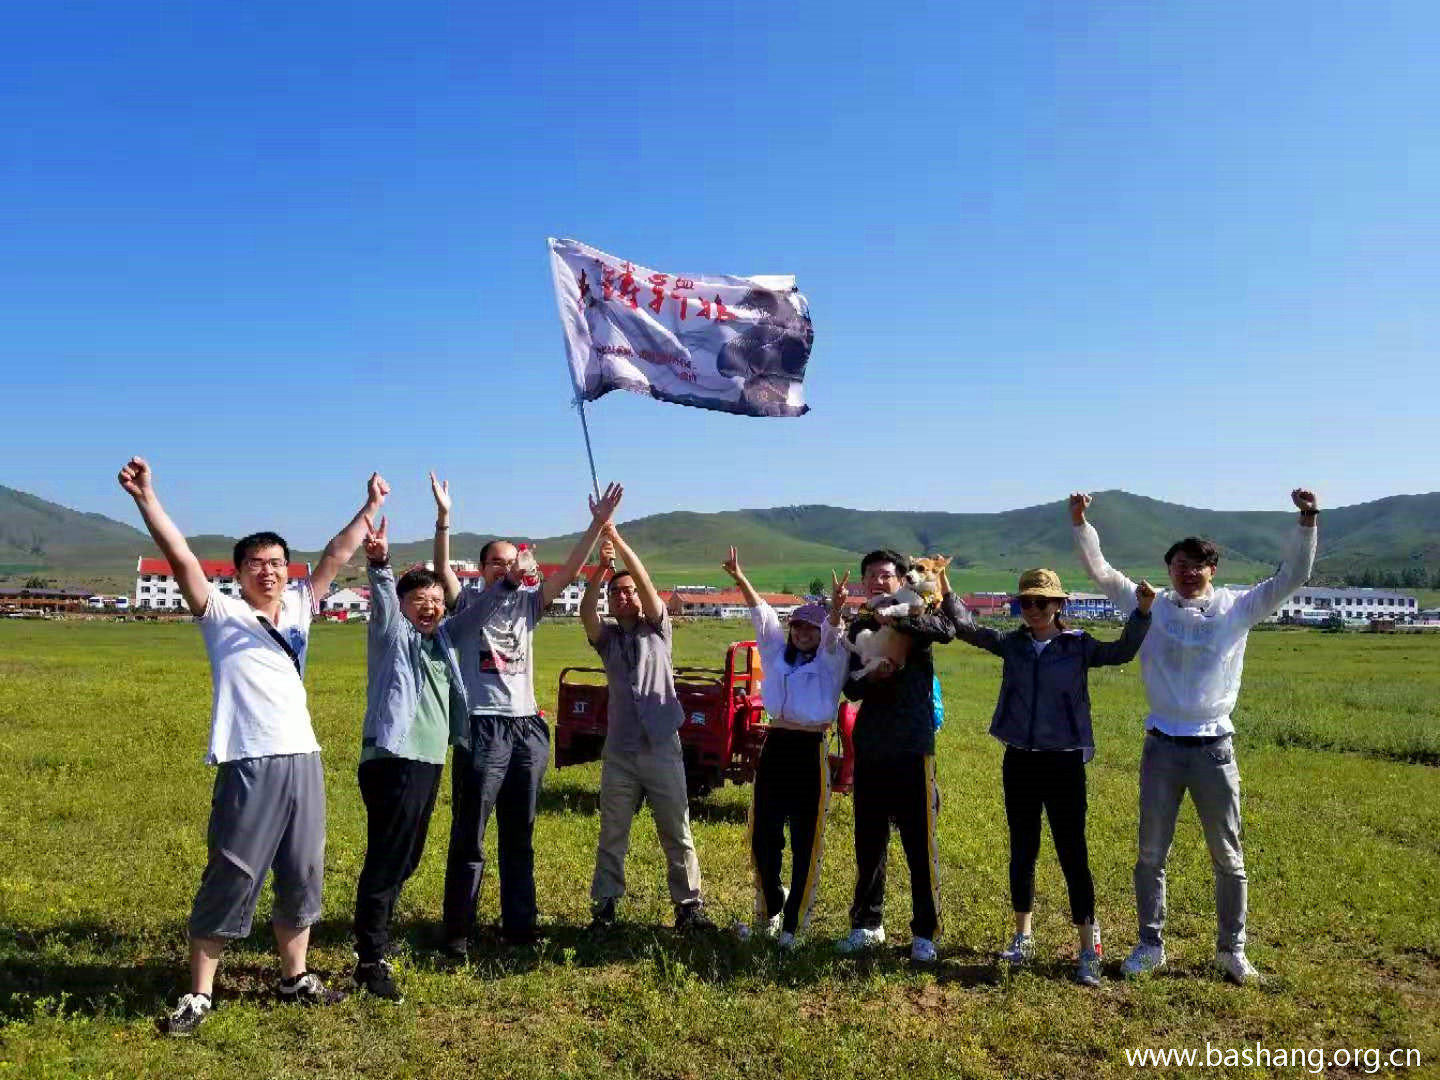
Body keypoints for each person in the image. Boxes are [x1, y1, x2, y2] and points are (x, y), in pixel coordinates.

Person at [118, 456, 384, 1036]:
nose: (269, 572)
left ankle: (294, 977)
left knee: (304, 869)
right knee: (233, 871)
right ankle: (199, 994)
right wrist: (146, 499)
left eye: (277, 563)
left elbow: (339, 552)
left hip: (304, 757)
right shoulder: (220, 612)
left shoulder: (299, 606)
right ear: (237, 573)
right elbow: (181, 556)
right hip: (248, 759)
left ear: (289, 571)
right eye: (257, 564)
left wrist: (371, 507)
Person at [1071, 488, 1319, 984]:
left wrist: (1307, 521)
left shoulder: (1238, 607)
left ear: (1212, 570)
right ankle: (1149, 944)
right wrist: (1080, 522)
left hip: (1214, 749)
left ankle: (1232, 950)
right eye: (1180, 564)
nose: (1188, 572)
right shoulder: (1150, 606)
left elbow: (1294, 576)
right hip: (1162, 744)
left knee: (1228, 855)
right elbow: (1100, 570)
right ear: (1169, 570)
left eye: (1198, 565)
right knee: (1150, 853)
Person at [431, 474, 623, 955]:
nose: (503, 568)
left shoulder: (529, 605)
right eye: (494, 563)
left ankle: (520, 927)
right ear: (480, 570)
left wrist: (596, 525)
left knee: (521, 834)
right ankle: (458, 931)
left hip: (526, 729)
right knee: (470, 835)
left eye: (509, 561)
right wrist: (444, 521)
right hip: (482, 725)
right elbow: (442, 569)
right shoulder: (468, 602)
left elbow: (571, 572)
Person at [949, 564, 1155, 986]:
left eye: (1042, 601)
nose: (1033, 609)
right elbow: (969, 629)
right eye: (1025, 601)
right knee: (1022, 850)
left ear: (1059, 604)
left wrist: (1142, 613)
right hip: (1020, 760)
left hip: (1063, 762)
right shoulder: (1013, 644)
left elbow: (1122, 652)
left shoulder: (1077, 647)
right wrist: (946, 588)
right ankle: (1023, 936)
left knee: (1072, 853)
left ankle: (1087, 948)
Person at [350, 510, 468, 1000]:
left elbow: (468, 613)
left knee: (409, 855)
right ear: (403, 605)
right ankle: (370, 958)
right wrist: (380, 565)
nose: (430, 607)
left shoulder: (442, 643)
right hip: (392, 759)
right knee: (388, 855)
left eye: (437, 600)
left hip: (427, 760)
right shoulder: (392, 635)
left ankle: (378, 938)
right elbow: (383, 600)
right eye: (420, 600)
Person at [581, 524, 713, 932]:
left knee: (677, 830)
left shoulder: (658, 628)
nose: (623, 596)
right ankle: (604, 907)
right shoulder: (607, 640)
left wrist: (619, 544)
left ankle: (688, 906)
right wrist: (600, 572)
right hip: (620, 752)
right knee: (612, 833)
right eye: (615, 594)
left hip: (661, 746)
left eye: (629, 591)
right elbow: (587, 613)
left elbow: (645, 581)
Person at [722, 548, 851, 949]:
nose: (802, 633)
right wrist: (741, 578)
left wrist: (834, 611)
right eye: (798, 627)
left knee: (805, 839)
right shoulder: (778, 655)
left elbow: (831, 638)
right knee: (762, 834)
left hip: (810, 748)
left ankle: (793, 926)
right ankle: (770, 909)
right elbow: (762, 617)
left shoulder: (832, 660)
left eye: (809, 629)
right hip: (775, 744)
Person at [837, 549, 958, 964]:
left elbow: (946, 630)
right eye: (870, 576)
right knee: (868, 841)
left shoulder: (924, 610)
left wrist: (899, 618)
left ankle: (925, 932)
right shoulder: (861, 624)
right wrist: (874, 678)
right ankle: (867, 924)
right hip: (872, 745)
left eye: (885, 575)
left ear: (901, 578)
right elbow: (851, 690)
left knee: (919, 841)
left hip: (913, 743)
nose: (877, 582)